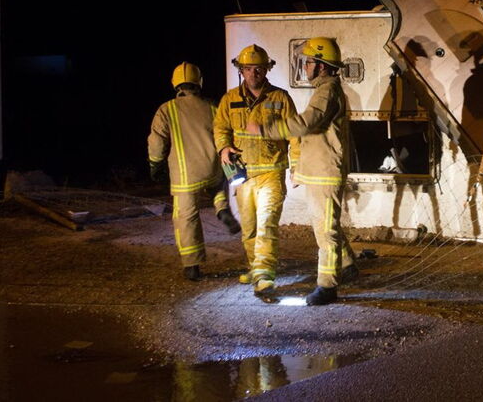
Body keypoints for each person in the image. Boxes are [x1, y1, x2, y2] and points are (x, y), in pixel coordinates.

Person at [248, 37, 357, 305]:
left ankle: (328, 286)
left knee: (326, 232)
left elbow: (308, 123)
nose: (305, 67)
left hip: (325, 173)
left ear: (321, 65)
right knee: (326, 225)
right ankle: (348, 265)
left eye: (309, 62)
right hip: (319, 171)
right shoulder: (326, 89)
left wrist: (267, 130)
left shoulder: (327, 90)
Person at [214, 44, 299, 298]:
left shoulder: (280, 98)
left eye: (259, 68)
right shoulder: (229, 99)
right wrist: (223, 147)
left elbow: (295, 135)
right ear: (241, 71)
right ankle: (255, 266)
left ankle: (264, 274)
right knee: (249, 227)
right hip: (243, 176)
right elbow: (220, 128)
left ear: (267, 69)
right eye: (249, 69)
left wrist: (297, 166)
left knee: (266, 224)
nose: (254, 73)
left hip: (271, 173)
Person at [148, 62, 241, 281]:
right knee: (218, 187)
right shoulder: (212, 106)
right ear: (199, 82)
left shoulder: (166, 109)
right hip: (212, 167)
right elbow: (224, 132)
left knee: (186, 218)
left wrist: (155, 165)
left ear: (175, 84)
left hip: (184, 175)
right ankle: (222, 209)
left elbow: (157, 142)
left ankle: (192, 265)